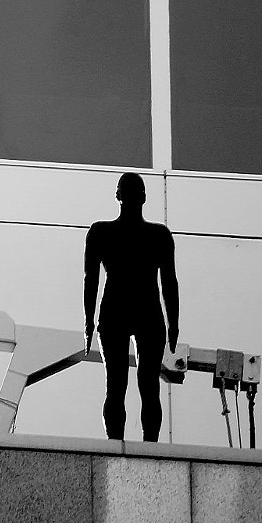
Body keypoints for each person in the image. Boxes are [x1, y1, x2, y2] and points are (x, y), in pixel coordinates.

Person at [83, 172, 179, 442]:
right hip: (141, 311)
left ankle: (120, 447)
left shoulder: (102, 232)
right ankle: (145, 448)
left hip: (119, 311)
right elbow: (169, 284)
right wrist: (174, 324)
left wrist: (88, 323)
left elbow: (91, 281)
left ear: (118, 196)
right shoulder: (157, 235)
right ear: (144, 198)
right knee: (142, 385)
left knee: (120, 385)